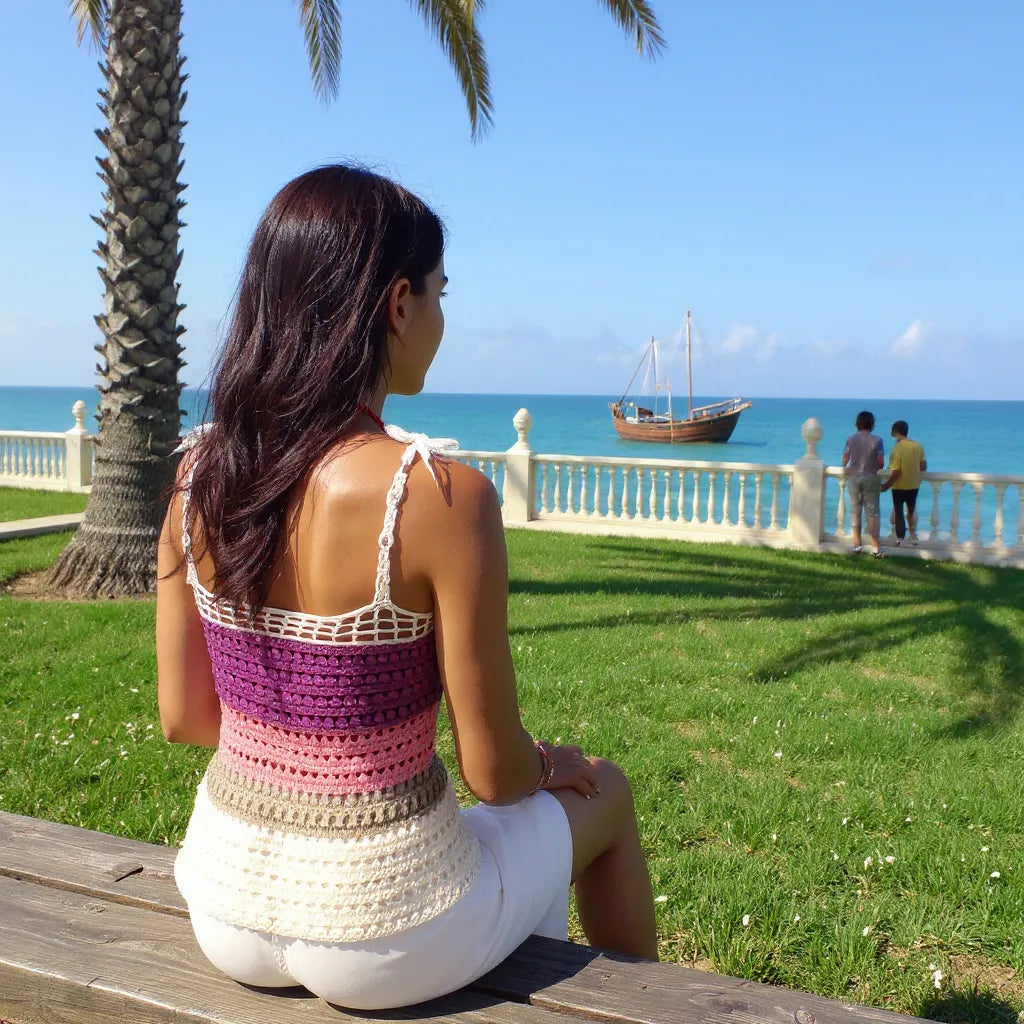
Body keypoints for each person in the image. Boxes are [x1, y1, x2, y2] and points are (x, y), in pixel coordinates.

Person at [155, 165, 657, 1011]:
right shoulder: (439, 496)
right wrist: (553, 763)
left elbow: (186, 718)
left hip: (226, 907)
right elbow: (494, 775)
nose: (442, 318)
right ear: (397, 304)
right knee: (605, 793)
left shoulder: (199, 475)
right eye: (439, 293)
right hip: (389, 927)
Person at [841, 410, 884, 558]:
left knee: (855, 511)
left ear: (858, 423)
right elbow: (881, 463)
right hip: (871, 478)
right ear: (872, 424)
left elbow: (845, 460)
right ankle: (876, 548)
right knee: (872, 513)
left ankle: (857, 544)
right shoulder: (877, 440)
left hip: (854, 478)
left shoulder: (851, 439)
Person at [880, 420, 927, 546]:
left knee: (899, 512)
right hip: (914, 485)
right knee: (911, 511)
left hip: (899, 486)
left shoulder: (897, 449)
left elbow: (896, 472)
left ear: (895, 432)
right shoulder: (918, 446)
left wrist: (886, 485)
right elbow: (923, 466)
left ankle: (900, 539)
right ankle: (913, 535)